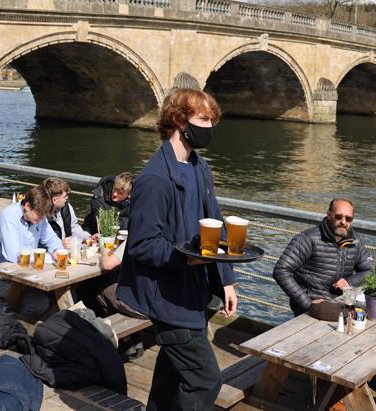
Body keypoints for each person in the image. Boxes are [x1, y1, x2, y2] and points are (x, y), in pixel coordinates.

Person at [116, 88, 237, 410]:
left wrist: (226, 278)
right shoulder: (154, 179)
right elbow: (142, 245)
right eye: (203, 119)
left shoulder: (200, 167)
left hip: (194, 290)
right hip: (167, 296)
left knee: (172, 375)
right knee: (203, 380)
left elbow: (216, 223)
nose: (210, 127)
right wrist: (186, 258)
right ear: (178, 120)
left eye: (212, 120)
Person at [273, 198, 373, 318]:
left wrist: (349, 281)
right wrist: (308, 303)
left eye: (348, 219)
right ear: (329, 215)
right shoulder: (307, 239)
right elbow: (281, 270)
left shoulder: (355, 242)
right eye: (338, 217)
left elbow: (370, 271)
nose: (343, 222)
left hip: (341, 303)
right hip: (311, 308)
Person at [0, 185, 63, 316]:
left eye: (43, 216)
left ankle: (43, 325)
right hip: (1, 279)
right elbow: (13, 255)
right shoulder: (9, 216)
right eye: (39, 216)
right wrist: (45, 256)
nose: (41, 219)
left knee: (58, 293)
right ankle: (15, 322)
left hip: (28, 276)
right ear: (26, 207)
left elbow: (52, 238)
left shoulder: (39, 217)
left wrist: (57, 251)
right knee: (39, 304)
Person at [42, 176, 95, 249]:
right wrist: (60, 244)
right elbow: (41, 242)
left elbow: (74, 226)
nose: (67, 198)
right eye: (65, 196)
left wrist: (88, 237)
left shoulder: (66, 207)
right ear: (54, 200)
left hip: (67, 249)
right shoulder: (40, 215)